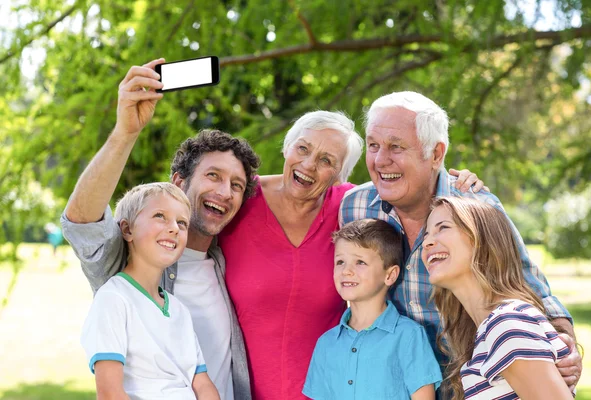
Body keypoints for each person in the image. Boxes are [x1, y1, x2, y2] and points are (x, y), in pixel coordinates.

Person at [219, 110, 484, 400]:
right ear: (287, 147)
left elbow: (412, 185)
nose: (308, 165)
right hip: (242, 391)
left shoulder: (349, 207)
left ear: (339, 175)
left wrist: (459, 185)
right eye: (303, 148)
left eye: (326, 161)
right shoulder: (238, 198)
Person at [339, 91, 582, 391]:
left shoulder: (474, 204)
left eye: (396, 147)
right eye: (373, 145)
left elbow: (528, 285)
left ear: (436, 154)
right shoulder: (353, 207)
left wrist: (562, 341)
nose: (380, 160)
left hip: (474, 382)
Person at [61, 58, 259, 400]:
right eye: (213, 176)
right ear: (179, 183)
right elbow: (83, 223)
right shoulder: (127, 261)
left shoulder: (228, 262)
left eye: (237, 185)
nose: (225, 192)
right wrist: (126, 131)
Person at [422, 197, 574, 399]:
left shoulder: (507, 323)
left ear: (481, 241)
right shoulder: (491, 328)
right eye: (426, 234)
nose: (427, 242)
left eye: (443, 228)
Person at [81, 182, 220, 400]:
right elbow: (110, 393)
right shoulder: (114, 299)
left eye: (182, 222)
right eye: (160, 216)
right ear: (128, 230)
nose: (174, 227)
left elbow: (202, 385)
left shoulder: (179, 310)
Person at [303, 219, 442, 400]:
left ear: (390, 275)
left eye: (360, 262)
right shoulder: (326, 343)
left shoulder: (409, 335)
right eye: (340, 262)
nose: (346, 271)